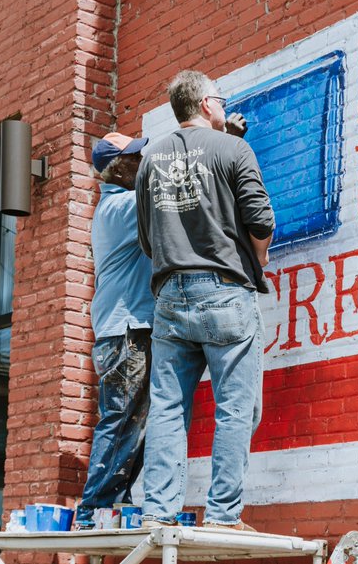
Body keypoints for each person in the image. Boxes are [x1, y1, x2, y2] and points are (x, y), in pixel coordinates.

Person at [135, 70, 274, 531]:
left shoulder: (150, 158)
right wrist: (259, 260)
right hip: (225, 291)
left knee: (168, 407)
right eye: (221, 99)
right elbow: (260, 219)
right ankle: (222, 516)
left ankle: (158, 512)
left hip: (170, 295)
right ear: (207, 103)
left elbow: (148, 238)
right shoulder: (234, 149)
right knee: (236, 406)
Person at [75, 132, 154, 530]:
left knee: (134, 419)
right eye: (136, 157)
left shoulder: (115, 206)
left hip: (122, 329)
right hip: (126, 331)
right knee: (122, 417)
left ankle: (109, 504)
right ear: (118, 169)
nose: (143, 162)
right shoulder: (124, 207)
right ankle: (92, 510)